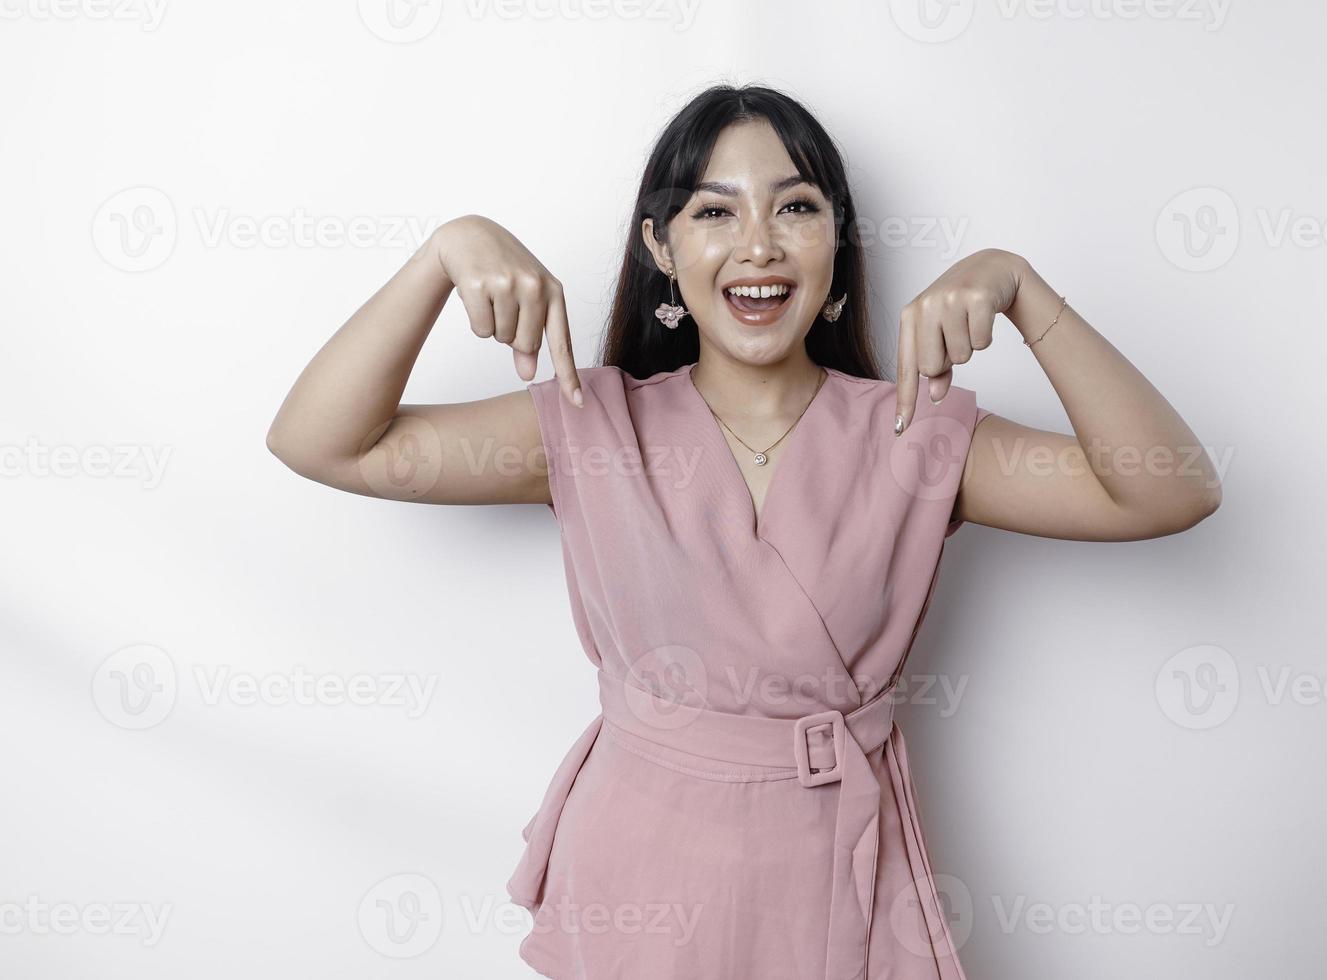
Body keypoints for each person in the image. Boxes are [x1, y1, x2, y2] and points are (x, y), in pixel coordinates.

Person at [266, 84, 1221, 980]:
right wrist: (447, 250)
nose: (759, 243)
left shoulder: (916, 433)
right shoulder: (589, 426)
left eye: (796, 208)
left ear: (837, 243)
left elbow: (1168, 492)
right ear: (661, 248)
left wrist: (1021, 290)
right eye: (715, 211)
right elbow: (320, 443)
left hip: (833, 880)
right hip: (638, 880)